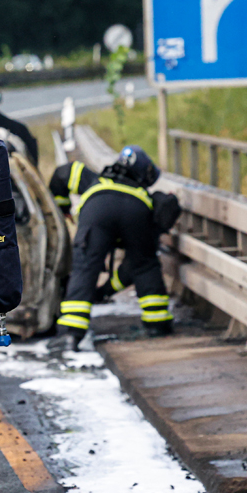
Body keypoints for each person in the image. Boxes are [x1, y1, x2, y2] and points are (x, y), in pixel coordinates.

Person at [50, 146, 173, 352]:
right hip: (136, 211)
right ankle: (157, 324)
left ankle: (71, 334)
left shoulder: (93, 180)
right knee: (146, 264)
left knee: (85, 268)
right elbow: (133, 266)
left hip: (98, 208)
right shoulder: (142, 195)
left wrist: (62, 207)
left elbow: (63, 173)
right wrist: (106, 290)